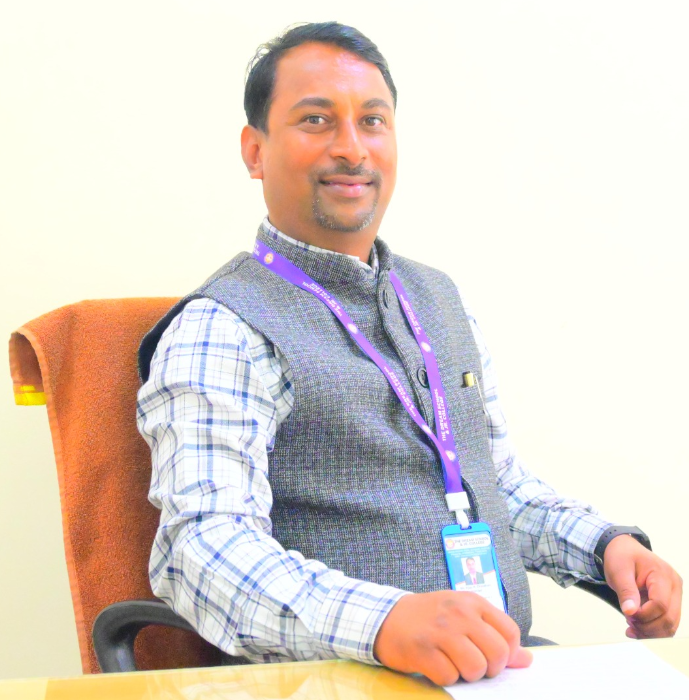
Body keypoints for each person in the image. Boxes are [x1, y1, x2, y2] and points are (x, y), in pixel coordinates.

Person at [137, 22, 682, 686]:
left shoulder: (438, 299)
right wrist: (385, 623)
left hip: (501, 669)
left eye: (372, 121)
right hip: (341, 682)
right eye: (316, 120)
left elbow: (494, 486)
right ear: (255, 151)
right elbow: (202, 551)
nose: (351, 147)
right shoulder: (222, 326)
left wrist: (605, 547)